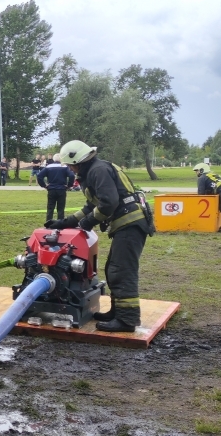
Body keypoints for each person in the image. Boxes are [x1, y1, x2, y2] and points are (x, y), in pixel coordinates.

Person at [49, 140, 151, 332]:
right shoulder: (93, 171)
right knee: (113, 268)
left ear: (77, 160)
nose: (70, 169)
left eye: (70, 165)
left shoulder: (98, 171)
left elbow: (108, 203)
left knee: (122, 271)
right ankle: (118, 312)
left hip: (130, 223)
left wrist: (87, 223)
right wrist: (65, 222)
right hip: (126, 224)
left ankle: (127, 320)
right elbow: (91, 206)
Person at [193, 162, 221, 232]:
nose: (196, 173)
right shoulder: (214, 175)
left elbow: (201, 194)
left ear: (201, 170)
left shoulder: (202, 178)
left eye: (197, 171)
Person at [37, 153, 75, 222]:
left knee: (50, 208)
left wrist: (44, 185)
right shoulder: (65, 167)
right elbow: (72, 176)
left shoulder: (48, 167)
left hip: (51, 189)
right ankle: (60, 224)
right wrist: (69, 185)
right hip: (62, 189)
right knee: (61, 208)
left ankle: (48, 223)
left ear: (54, 159)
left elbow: (39, 176)